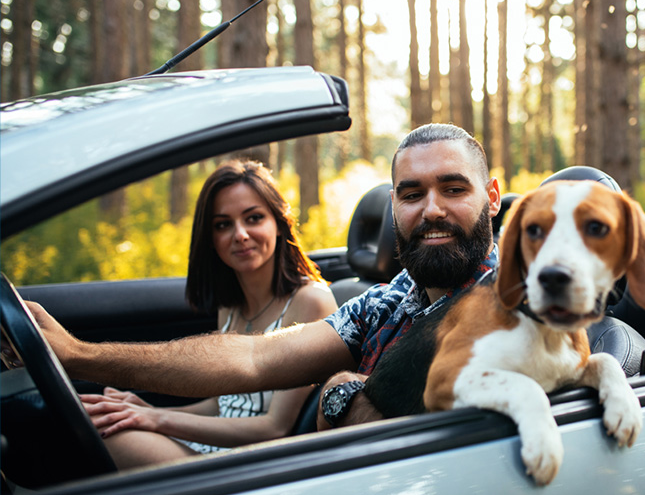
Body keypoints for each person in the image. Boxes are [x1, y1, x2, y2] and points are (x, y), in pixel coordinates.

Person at [23, 123, 501, 439]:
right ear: (394, 205)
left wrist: (342, 392)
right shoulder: (393, 298)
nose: (432, 209)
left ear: (492, 196)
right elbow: (255, 357)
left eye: (453, 188)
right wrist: (78, 354)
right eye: (412, 193)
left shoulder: (515, 301)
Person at [77, 160, 338, 469]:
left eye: (253, 218)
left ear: (279, 224)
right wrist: (146, 409)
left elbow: (274, 428)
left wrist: (157, 418)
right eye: (223, 224)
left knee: (114, 434)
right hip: (214, 443)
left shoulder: (311, 302)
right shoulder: (230, 305)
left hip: (257, 462)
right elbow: (220, 402)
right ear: (211, 238)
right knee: (106, 421)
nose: (239, 234)